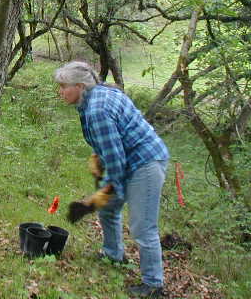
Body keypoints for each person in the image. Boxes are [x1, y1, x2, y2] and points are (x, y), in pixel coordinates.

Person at [54, 61, 169, 299]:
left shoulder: (97, 110)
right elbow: (111, 148)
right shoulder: (100, 93)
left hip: (145, 164)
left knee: (142, 227)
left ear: (79, 85)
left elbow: (117, 165)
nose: (61, 91)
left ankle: (154, 285)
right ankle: (113, 254)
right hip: (131, 159)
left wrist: (93, 201)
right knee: (108, 209)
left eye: (64, 86)